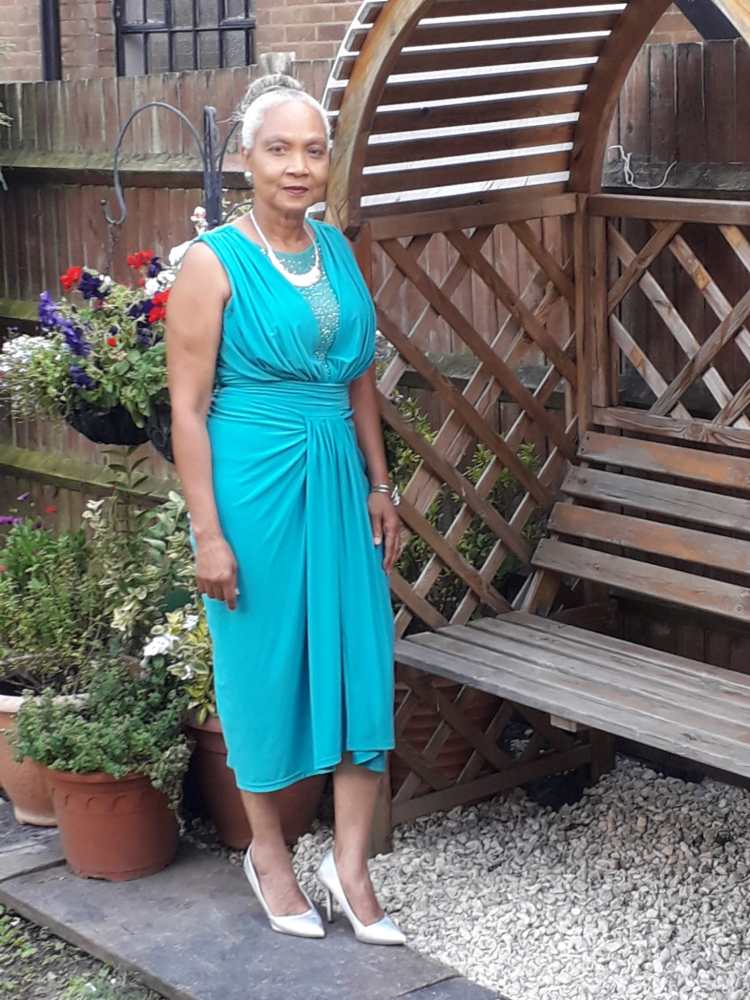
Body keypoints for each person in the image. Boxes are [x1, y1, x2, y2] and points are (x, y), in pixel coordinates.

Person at [165, 72, 406, 946]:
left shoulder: (335, 248)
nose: (298, 166)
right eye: (279, 149)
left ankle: (350, 866)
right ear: (246, 159)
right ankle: (267, 852)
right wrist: (208, 535)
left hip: (337, 478)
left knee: (359, 658)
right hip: (254, 485)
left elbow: (358, 376)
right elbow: (187, 409)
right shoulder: (212, 263)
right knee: (264, 666)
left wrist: (380, 482)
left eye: (312, 149)